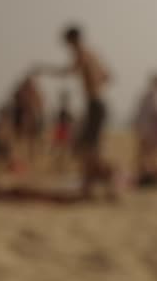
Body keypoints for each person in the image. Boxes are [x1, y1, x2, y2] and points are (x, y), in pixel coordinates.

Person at [37, 24, 116, 198]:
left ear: (72, 40)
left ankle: (106, 185)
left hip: (94, 104)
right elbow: (108, 76)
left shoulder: (81, 52)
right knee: (88, 148)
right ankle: (89, 188)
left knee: (87, 149)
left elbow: (68, 71)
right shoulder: (92, 54)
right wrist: (94, 85)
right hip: (98, 103)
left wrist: (43, 69)